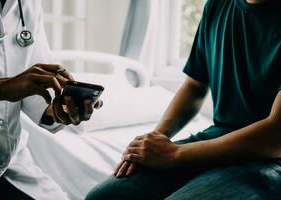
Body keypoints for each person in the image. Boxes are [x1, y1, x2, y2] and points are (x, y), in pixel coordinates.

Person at [85, 0, 281, 199]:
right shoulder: (218, 5)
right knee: (103, 197)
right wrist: (153, 144)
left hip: (269, 160)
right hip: (217, 138)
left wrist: (174, 154)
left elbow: (275, 137)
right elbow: (194, 87)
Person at [0, 0, 102, 199]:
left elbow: (35, 88)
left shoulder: (27, 4)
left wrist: (59, 110)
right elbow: (13, 86)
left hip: (12, 165)